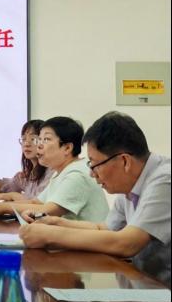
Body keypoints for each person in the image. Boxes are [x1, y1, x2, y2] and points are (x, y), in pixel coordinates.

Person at [20, 112, 170, 287]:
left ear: (124, 161)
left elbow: (126, 243)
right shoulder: (131, 182)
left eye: (95, 164)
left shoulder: (164, 181)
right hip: (144, 283)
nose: (92, 174)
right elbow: (104, 228)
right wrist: (55, 223)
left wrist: (50, 236)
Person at [0, 116, 109, 223]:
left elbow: (49, 210)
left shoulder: (77, 174)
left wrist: (3, 207)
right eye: (39, 139)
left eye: (46, 139)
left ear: (67, 148)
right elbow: (36, 203)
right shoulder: (60, 172)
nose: (39, 145)